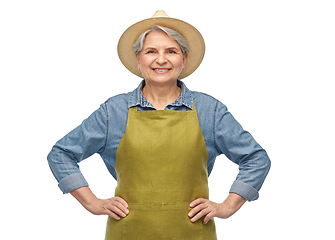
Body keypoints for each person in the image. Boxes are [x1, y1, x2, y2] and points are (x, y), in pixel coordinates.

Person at [47, 10, 271, 239]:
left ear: (183, 59)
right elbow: (61, 154)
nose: (161, 59)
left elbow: (256, 159)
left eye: (171, 51)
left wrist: (228, 206)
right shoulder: (113, 112)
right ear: (138, 59)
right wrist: (92, 203)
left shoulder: (209, 111)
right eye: (151, 51)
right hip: (128, 233)